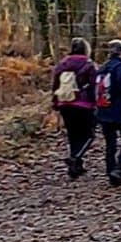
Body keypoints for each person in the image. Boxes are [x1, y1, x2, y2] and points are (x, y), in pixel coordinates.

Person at [49, 37, 99, 178]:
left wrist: (55, 102)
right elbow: (94, 86)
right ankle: (76, 158)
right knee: (89, 134)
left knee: (73, 135)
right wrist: (95, 103)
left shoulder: (62, 64)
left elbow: (55, 85)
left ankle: (76, 166)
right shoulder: (89, 65)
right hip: (83, 104)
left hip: (65, 103)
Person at [93, 39, 121, 185]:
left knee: (110, 143)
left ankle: (111, 169)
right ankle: (119, 168)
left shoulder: (102, 69)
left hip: (104, 111)